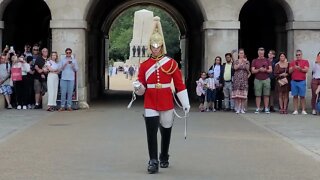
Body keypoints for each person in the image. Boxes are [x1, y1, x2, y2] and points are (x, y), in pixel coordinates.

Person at [132, 22, 190, 174]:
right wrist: (138, 87)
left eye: (158, 47)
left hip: (166, 100)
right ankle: (153, 160)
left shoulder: (171, 63)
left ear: (162, 47)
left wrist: (185, 102)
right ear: (150, 47)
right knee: (151, 131)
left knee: (166, 129)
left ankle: (164, 154)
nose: (156, 49)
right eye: (153, 46)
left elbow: (179, 84)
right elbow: (142, 88)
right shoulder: (144, 65)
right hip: (150, 100)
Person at [251, 47, 272, 114]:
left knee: (266, 94)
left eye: (262, 53)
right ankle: (257, 108)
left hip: (266, 79)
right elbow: (252, 71)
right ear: (258, 53)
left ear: (264, 53)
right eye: (260, 53)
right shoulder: (254, 61)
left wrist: (265, 70)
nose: (261, 54)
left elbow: (270, 70)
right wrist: (259, 70)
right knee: (258, 95)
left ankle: (266, 108)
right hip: (257, 79)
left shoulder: (267, 60)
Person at [289, 49, 309, 115]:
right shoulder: (292, 62)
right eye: (297, 55)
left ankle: (303, 110)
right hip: (294, 81)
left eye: (299, 55)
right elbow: (289, 71)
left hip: (302, 81)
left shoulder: (305, 61)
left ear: (301, 55)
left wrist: (300, 68)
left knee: (302, 96)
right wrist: (293, 68)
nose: (298, 56)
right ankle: (295, 110)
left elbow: (306, 70)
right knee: (295, 96)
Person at [232, 49, 250, 114]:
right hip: (237, 79)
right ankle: (238, 108)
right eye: (240, 53)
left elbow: (247, 69)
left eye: (242, 53)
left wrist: (245, 62)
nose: (241, 54)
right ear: (238, 54)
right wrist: (240, 63)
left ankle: (242, 108)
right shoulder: (236, 61)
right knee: (237, 95)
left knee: (243, 95)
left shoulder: (247, 61)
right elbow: (235, 68)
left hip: (244, 79)